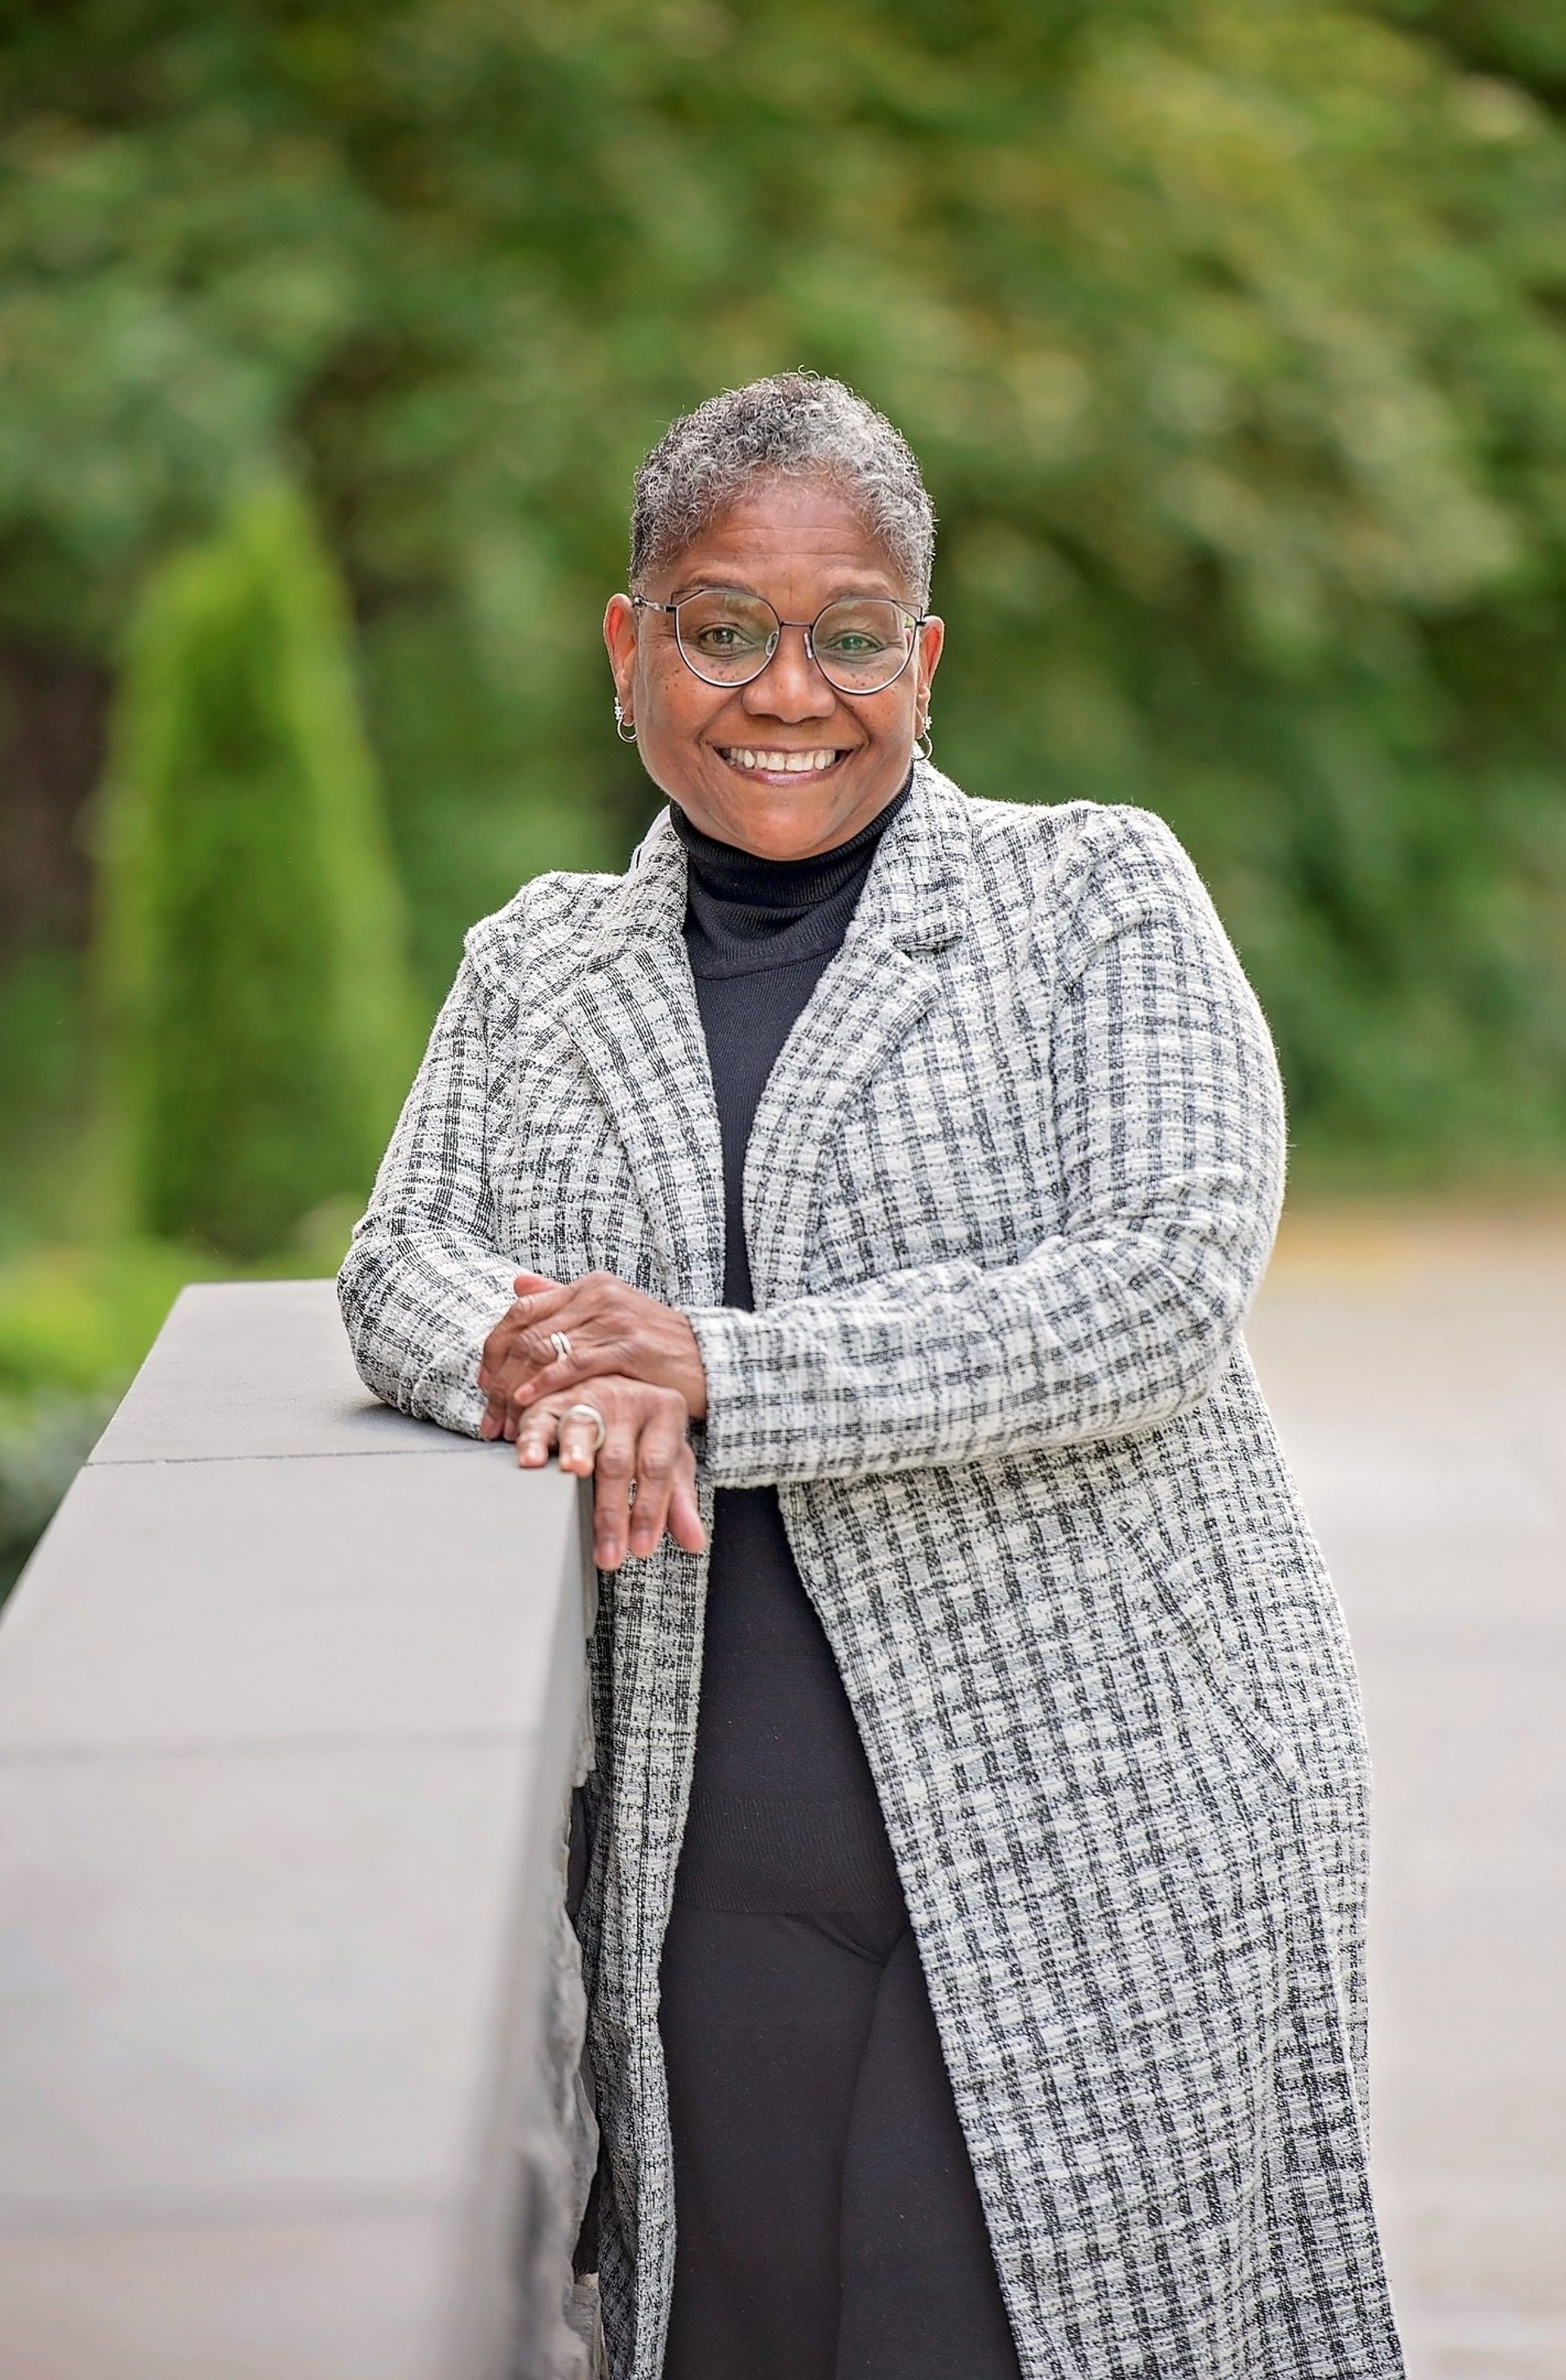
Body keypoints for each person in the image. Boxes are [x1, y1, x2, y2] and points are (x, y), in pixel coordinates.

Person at [339, 372, 1403, 2380]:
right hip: (700, 1864)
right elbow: (399, 1258)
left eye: (847, 635)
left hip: (1106, 1823)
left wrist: (710, 1369)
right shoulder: (535, 968)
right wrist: (527, 1352)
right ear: (629, 646)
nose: (785, 691)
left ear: (921, 659)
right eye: (724, 626)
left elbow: (1158, 1284)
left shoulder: (1090, 895)